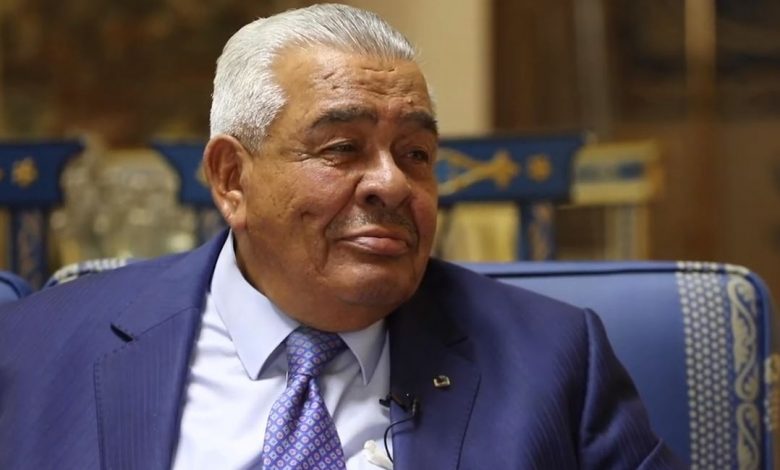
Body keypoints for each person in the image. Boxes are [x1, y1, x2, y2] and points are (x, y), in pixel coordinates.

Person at [0, 4, 683, 469]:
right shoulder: (36, 347)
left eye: (415, 154)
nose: (391, 184)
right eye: (341, 149)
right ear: (232, 178)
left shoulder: (554, 361)